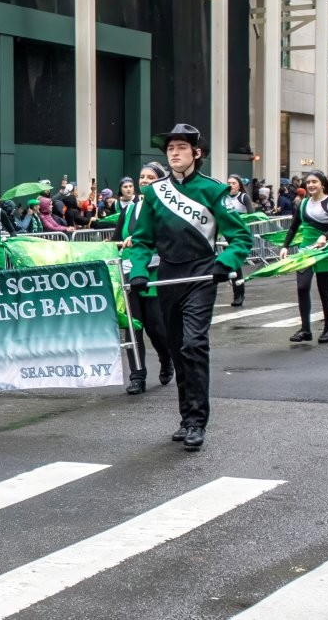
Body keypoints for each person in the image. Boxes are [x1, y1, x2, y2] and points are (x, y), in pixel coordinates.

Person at [127, 124, 251, 451]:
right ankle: (185, 418)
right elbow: (141, 241)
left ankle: (197, 421)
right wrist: (139, 270)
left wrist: (226, 262)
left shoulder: (213, 191)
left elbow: (241, 238)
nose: (174, 153)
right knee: (177, 347)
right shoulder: (154, 193)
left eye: (181, 147)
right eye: (170, 149)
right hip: (168, 275)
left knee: (194, 345)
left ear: (196, 153)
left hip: (201, 273)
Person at [115, 169, 173, 394]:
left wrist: (142, 241)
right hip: (129, 274)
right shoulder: (130, 209)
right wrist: (122, 244)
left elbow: (172, 240)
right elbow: (115, 240)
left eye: (151, 177)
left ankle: (166, 358)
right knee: (132, 326)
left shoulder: (167, 207)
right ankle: (137, 375)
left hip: (156, 274)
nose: (145, 181)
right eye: (142, 177)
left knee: (156, 327)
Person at [280, 169, 328, 344]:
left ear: (322, 184)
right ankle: (305, 329)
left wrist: (324, 236)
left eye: (314, 182)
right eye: (308, 182)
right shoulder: (303, 203)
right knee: (302, 287)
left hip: (325, 251)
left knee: (324, 290)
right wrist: (285, 247)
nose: (311, 185)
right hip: (305, 251)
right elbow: (293, 227)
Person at [222, 174, 252, 307]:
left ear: (239, 185)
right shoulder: (224, 198)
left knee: (236, 265)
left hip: (239, 236)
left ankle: (239, 294)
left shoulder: (243, 197)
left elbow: (252, 214)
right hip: (226, 235)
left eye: (233, 183)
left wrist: (238, 219)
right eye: (229, 183)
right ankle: (237, 293)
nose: (231, 185)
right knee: (231, 266)